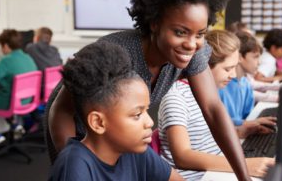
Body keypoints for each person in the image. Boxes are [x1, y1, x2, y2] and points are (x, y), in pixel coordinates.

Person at [45, 0, 251, 180]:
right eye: (180, 32)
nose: (191, 44)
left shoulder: (191, 50)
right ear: (155, 23)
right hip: (77, 134)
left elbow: (213, 109)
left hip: (119, 137)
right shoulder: (118, 51)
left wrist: (244, 177)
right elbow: (62, 111)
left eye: (201, 34)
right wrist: (78, 162)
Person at [49, 41, 183, 181]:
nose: (150, 122)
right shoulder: (74, 168)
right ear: (98, 122)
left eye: (146, 111)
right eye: (137, 115)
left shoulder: (134, 149)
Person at [158, 30, 274, 180]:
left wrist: (241, 132)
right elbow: (182, 156)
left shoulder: (210, 93)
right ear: (204, 65)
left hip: (214, 172)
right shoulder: (176, 97)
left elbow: (204, 138)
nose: (233, 75)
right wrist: (245, 164)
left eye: (234, 67)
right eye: (227, 69)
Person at [219, 31, 277, 140]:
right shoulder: (221, 86)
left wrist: (253, 125)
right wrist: (247, 123)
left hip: (238, 135)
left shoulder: (245, 83)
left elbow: (247, 116)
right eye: (255, 57)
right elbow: (218, 121)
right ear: (240, 57)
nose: (258, 63)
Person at [0, 29, 37, 148]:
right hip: (27, 101)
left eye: (1, 46)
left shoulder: (6, 60)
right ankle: (15, 125)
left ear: (5, 45)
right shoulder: (28, 57)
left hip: (11, 103)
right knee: (4, 90)